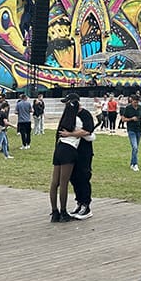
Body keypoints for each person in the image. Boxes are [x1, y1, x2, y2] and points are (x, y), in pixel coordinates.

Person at [50, 94, 87, 222]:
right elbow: (87, 134)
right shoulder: (77, 121)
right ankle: (64, 212)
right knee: (64, 182)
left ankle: (54, 211)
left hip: (59, 148)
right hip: (69, 150)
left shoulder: (64, 119)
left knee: (54, 183)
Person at [69, 97, 97, 220]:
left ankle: (86, 205)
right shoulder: (71, 114)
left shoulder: (85, 115)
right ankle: (79, 202)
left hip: (84, 152)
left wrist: (70, 134)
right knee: (74, 177)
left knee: (84, 177)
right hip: (73, 150)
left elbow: (87, 132)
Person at [121, 95, 141, 172]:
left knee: (135, 148)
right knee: (135, 147)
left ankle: (132, 163)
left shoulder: (140, 107)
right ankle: (135, 164)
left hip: (139, 129)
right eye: (135, 102)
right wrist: (131, 119)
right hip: (131, 130)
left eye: (137, 102)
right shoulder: (128, 108)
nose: (136, 104)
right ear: (132, 101)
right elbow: (123, 119)